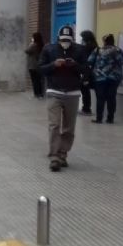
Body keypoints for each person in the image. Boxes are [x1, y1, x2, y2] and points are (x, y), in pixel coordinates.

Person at [39, 25, 89, 172]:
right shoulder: (49, 49)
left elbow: (86, 70)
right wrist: (54, 64)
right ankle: (54, 155)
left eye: (68, 40)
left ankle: (63, 154)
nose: (65, 42)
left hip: (72, 92)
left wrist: (74, 65)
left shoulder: (80, 50)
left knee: (69, 127)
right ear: (58, 39)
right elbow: (40, 68)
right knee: (54, 124)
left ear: (72, 40)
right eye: (62, 40)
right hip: (54, 91)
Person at [88, 34, 123, 125]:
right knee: (111, 97)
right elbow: (122, 61)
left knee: (100, 98)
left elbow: (90, 60)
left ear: (104, 41)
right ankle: (110, 118)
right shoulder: (118, 50)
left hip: (100, 78)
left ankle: (99, 118)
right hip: (114, 78)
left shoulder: (98, 50)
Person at [79, 30, 98, 115]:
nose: (81, 40)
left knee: (84, 89)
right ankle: (87, 108)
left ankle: (86, 108)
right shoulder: (95, 47)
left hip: (89, 72)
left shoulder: (87, 48)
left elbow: (88, 63)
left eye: (82, 38)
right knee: (85, 89)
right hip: (94, 72)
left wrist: (85, 77)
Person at [26, 32, 45, 98]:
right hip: (39, 66)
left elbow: (26, 51)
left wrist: (31, 43)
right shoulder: (42, 45)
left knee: (34, 81)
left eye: (32, 37)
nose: (32, 38)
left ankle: (36, 94)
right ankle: (41, 94)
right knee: (39, 80)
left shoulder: (33, 45)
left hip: (33, 66)